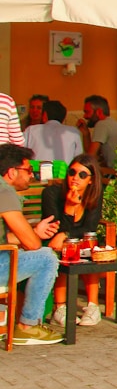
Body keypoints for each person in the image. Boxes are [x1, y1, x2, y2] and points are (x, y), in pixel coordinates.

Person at [0, 143, 62, 345]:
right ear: (12, 172)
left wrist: (34, 232)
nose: (32, 175)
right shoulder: (4, 192)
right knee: (46, 258)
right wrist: (34, 236)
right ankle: (28, 326)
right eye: (28, 170)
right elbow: (33, 245)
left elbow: (4, 239)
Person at [42, 154, 104, 327]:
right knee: (65, 250)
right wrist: (69, 208)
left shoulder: (94, 195)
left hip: (76, 240)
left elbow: (90, 227)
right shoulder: (52, 193)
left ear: (91, 180)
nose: (75, 178)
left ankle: (93, 307)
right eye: (72, 172)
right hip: (52, 240)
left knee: (89, 250)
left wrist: (67, 234)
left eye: (82, 175)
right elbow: (54, 227)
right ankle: (59, 307)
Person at [83, 95, 117, 169]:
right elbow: (95, 155)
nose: (84, 116)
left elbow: (90, 157)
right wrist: (86, 133)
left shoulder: (102, 124)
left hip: (116, 173)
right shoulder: (112, 123)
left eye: (87, 112)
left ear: (98, 112)